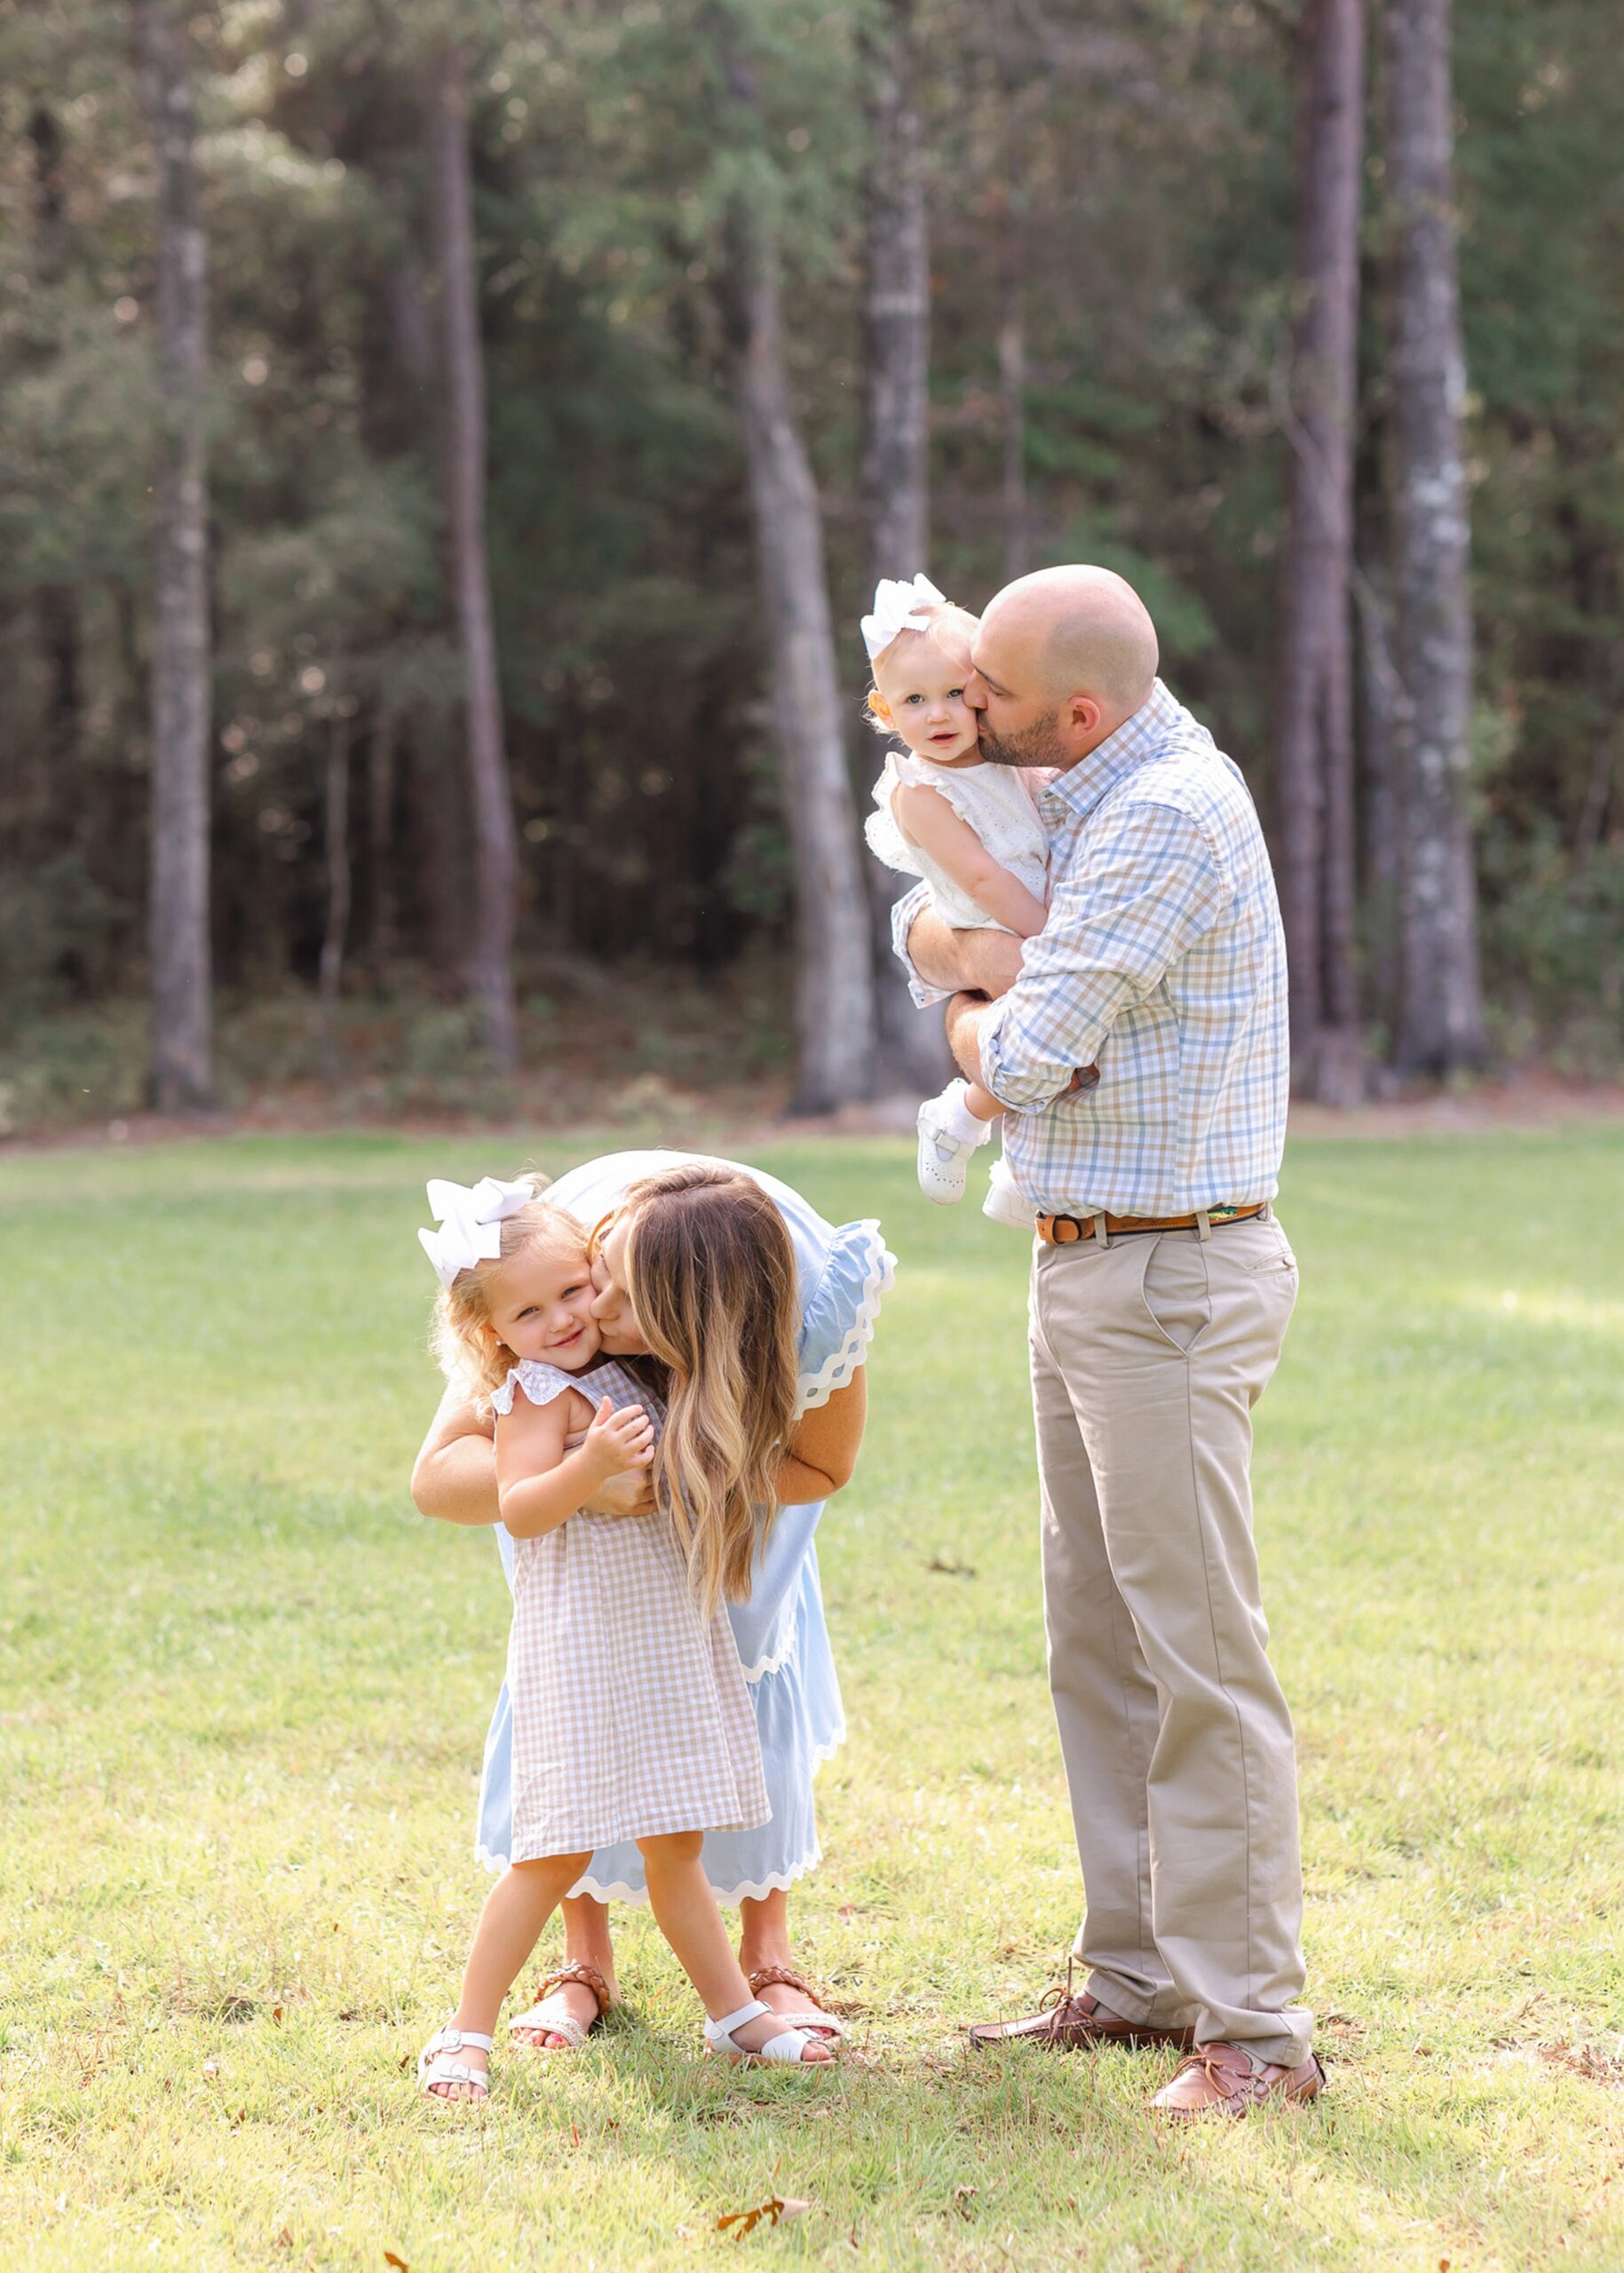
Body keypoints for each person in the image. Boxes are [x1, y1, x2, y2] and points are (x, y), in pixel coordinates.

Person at [893, 564, 1322, 2120]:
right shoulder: (1093, 770)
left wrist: (959, 1003)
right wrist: (949, 949)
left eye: (988, 697)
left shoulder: (1147, 816)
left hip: (1164, 1283)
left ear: (1071, 710)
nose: (965, 722)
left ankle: (1256, 2035)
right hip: (1085, 1266)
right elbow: (933, 899)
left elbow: (1026, 1045)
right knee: (1099, 1638)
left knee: (1197, 1654)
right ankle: (1137, 1981)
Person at [411, 1152, 893, 2061]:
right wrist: (584, 1480)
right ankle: (557, 1973)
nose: (587, 1316)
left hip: (712, 1522)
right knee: (564, 1806)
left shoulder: (806, 1303)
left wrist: (689, 1472)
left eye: (610, 1299)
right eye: (594, 1284)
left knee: (716, 1751)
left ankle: (754, 1979)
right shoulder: (541, 1282)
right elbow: (448, 1480)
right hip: (589, 1586)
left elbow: (821, 1464)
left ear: (696, 1322)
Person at [860, 573, 1049, 1222]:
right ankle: (960, 1117)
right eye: (913, 700)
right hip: (1000, 924)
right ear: (884, 712)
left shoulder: (1010, 757)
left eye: (951, 694)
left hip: (1033, 916)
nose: (936, 714)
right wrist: (1048, 933)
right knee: (1049, 1038)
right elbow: (982, 878)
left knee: (1066, 1046)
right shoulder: (918, 793)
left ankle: (1025, 1170)